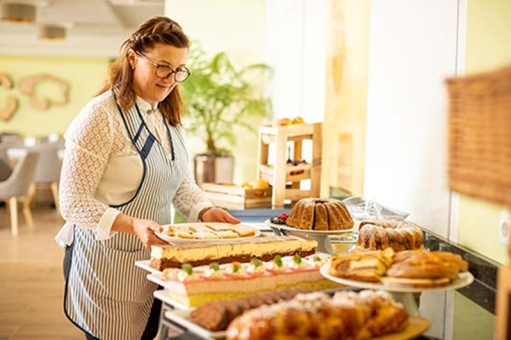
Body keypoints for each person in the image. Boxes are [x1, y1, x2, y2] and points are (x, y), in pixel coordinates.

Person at [56, 16, 240, 340]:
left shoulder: (166, 116)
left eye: (178, 70)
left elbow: (179, 181)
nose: (171, 79)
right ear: (132, 58)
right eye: (162, 67)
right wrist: (133, 225)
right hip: (106, 266)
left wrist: (204, 210)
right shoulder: (100, 116)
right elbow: (72, 203)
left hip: (153, 262)